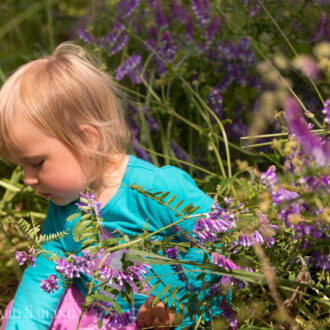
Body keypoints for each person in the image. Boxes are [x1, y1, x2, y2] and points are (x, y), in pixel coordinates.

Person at [0, 42, 214, 329]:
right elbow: (44, 275)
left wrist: (177, 306)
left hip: (170, 311)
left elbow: (218, 240)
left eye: (36, 163)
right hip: (100, 313)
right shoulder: (63, 206)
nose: (27, 180)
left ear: (87, 140)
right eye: (21, 167)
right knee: (25, 311)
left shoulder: (154, 188)